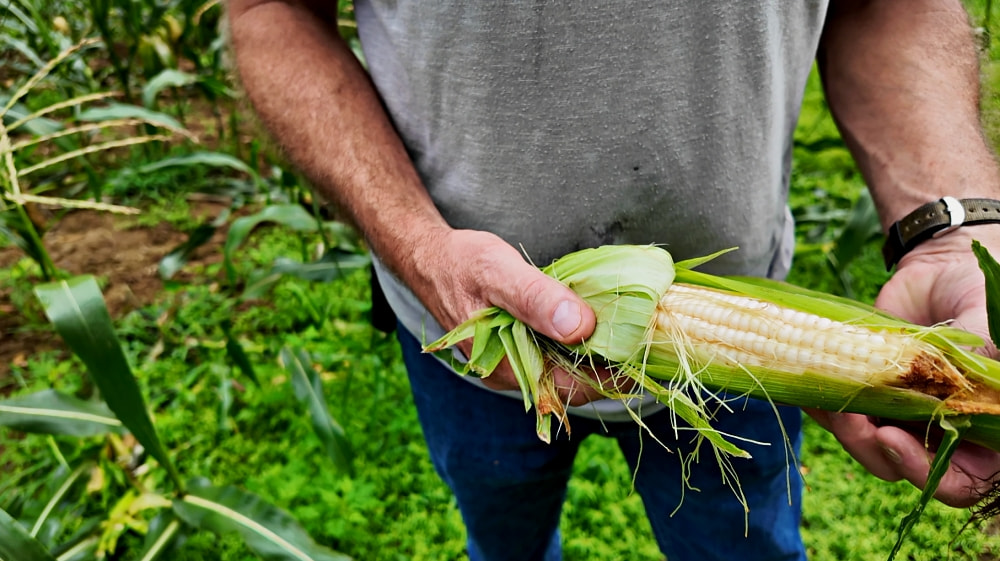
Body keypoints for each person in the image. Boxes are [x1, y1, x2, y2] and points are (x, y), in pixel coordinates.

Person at [227, 1, 1000, 559]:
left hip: (741, 364)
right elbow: (270, 11)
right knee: (504, 540)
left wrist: (952, 232)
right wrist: (421, 249)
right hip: (465, 332)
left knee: (745, 543)